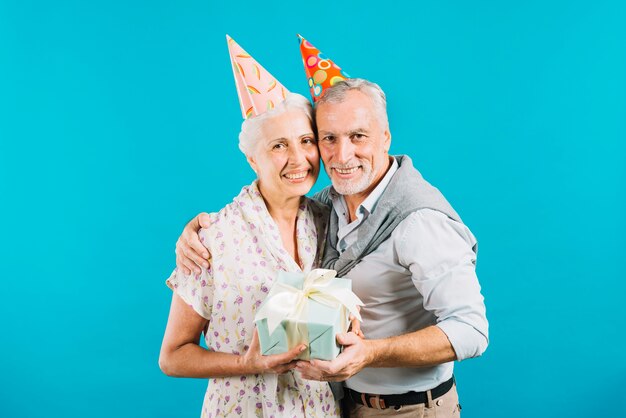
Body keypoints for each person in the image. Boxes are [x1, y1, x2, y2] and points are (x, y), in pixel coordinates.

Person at [176, 77, 489, 418]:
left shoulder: (420, 221)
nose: (342, 155)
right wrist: (198, 231)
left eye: (358, 136)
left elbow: (471, 330)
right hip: (341, 405)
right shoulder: (326, 209)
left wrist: (370, 353)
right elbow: (267, 211)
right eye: (328, 138)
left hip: (410, 409)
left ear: (385, 137)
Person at [159, 36, 341, 417]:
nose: (298, 159)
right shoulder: (215, 238)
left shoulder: (330, 220)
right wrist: (249, 363)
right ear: (252, 158)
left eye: (306, 141)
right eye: (278, 146)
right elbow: (173, 357)